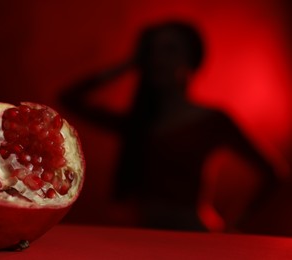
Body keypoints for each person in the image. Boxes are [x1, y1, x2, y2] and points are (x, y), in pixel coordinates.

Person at [60, 21, 278, 231]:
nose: (159, 59)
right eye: (152, 51)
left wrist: (237, 224)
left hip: (191, 236)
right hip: (140, 235)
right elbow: (70, 99)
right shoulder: (139, 123)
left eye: (170, 50)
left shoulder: (212, 120)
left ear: (191, 59)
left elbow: (272, 174)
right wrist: (130, 63)